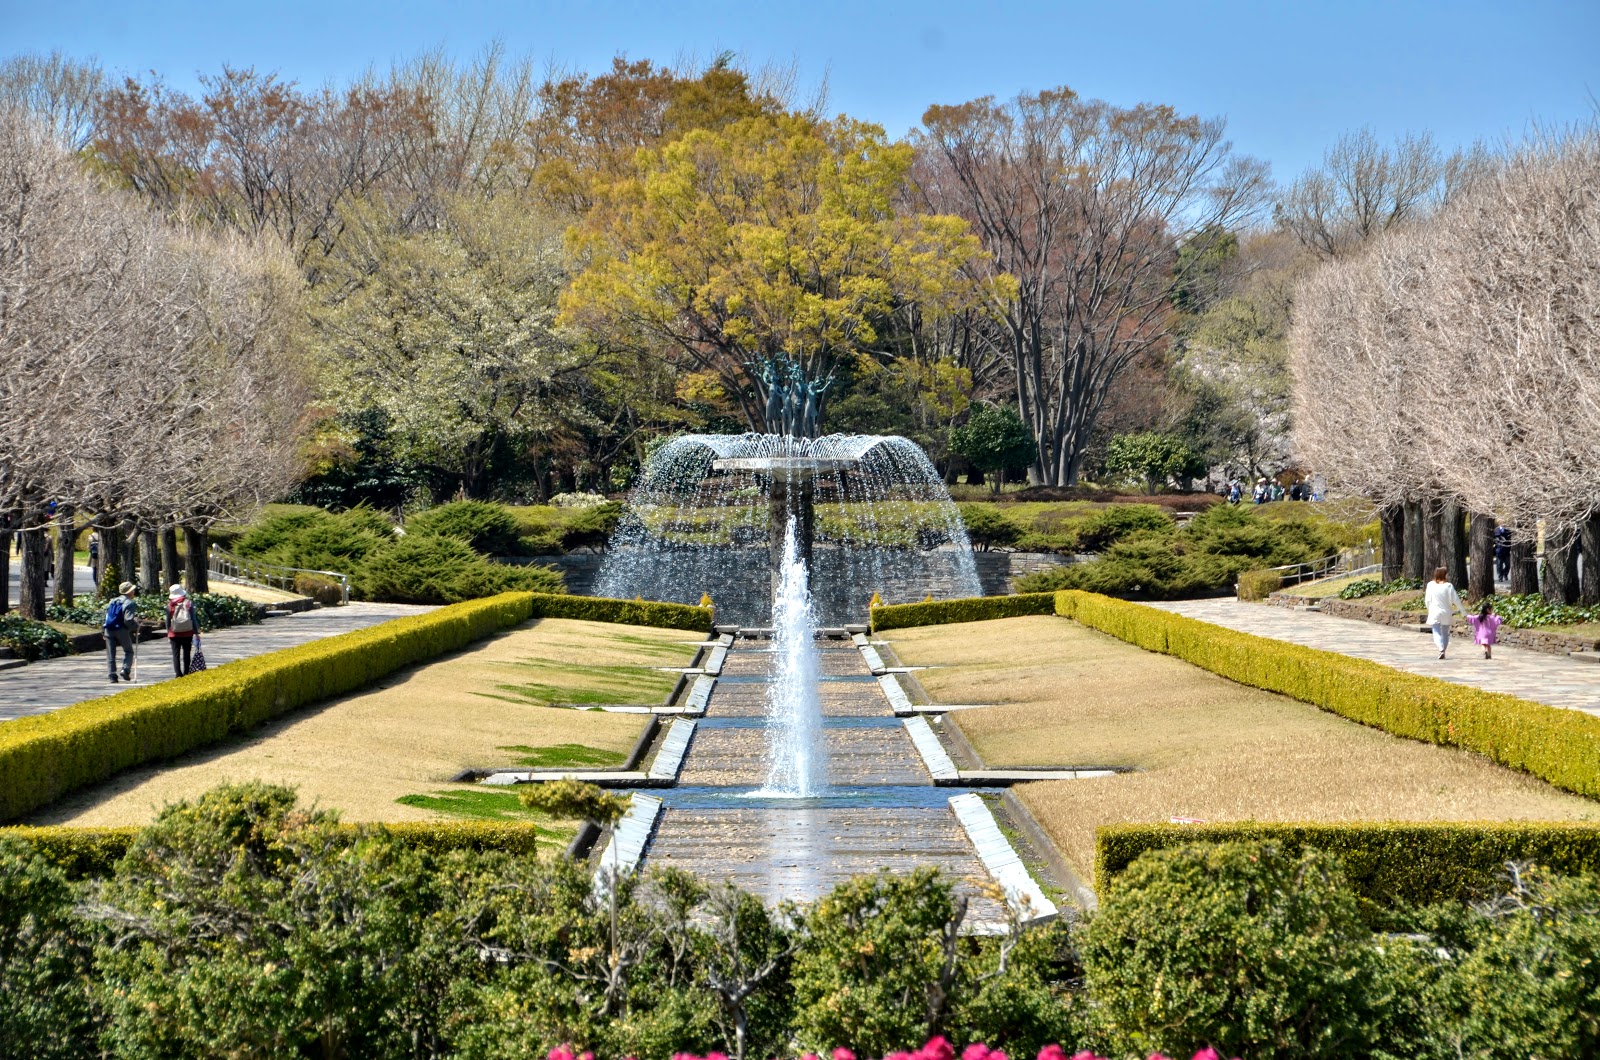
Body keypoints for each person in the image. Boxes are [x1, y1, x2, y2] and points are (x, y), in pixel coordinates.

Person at [1424, 567, 1467, 660]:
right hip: (1446, 612)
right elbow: (1456, 600)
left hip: (1434, 611)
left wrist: (1429, 609)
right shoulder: (1448, 586)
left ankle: (1440, 648)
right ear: (1445, 575)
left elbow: (1427, 600)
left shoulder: (1430, 585)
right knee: (1445, 632)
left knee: (1436, 631)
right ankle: (1443, 650)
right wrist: (1463, 612)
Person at [104, 581, 140, 683]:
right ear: (129, 592)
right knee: (129, 651)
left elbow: (106, 616)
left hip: (109, 629)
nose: (134, 591)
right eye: (132, 590)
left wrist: (103, 631)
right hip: (121, 630)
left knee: (111, 653)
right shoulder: (129, 603)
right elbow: (128, 620)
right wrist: (136, 626)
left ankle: (112, 675)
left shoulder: (112, 601)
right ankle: (125, 669)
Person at [166, 584, 198, 676]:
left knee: (176, 654)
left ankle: (178, 673)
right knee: (187, 653)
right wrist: (196, 632)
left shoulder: (169, 605)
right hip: (187, 632)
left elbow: (168, 621)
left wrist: (168, 633)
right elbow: (193, 618)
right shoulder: (188, 603)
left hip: (174, 633)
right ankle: (186, 672)